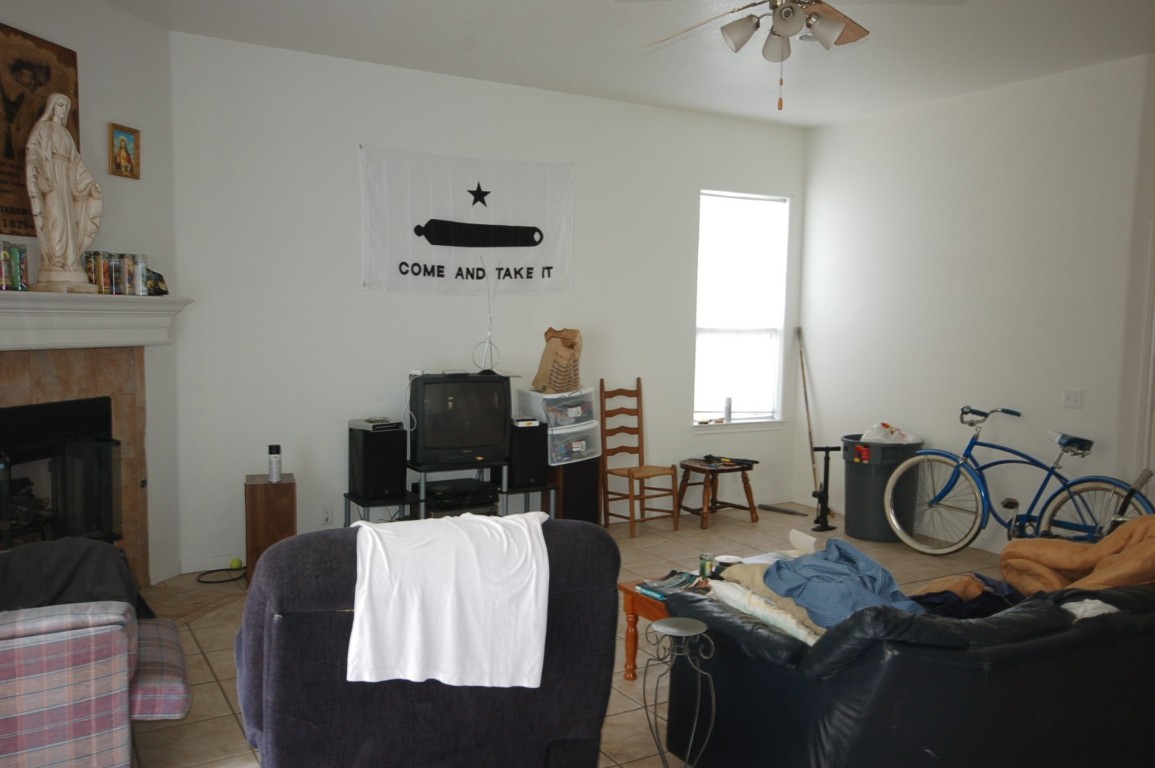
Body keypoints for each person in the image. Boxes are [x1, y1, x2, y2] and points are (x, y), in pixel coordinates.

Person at [25, 92, 102, 291]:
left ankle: (70, 261)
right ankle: (56, 260)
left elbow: (76, 162)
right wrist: (37, 172)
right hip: (51, 179)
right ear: (52, 107)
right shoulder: (43, 128)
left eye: (66, 106)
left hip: (66, 179)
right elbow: (32, 150)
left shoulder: (66, 134)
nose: (64, 109)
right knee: (55, 218)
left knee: (69, 221)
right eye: (60, 104)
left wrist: (88, 183)